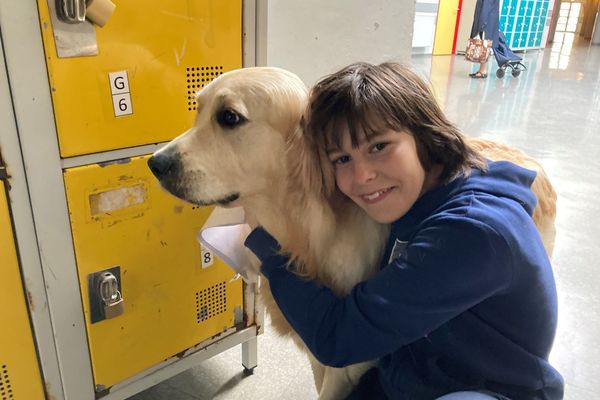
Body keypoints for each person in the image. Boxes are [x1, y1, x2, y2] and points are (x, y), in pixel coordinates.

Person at [244, 62, 564, 399]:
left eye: (378, 146)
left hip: (488, 389)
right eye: (341, 159)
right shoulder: (415, 194)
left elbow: (339, 339)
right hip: (421, 371)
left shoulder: (474, 232)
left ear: (425, 135)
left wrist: (266, 247)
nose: (362, 176)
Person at [469, 0, 500, 78]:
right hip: (488, 20)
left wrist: (482, 24)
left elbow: (485, 9)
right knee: (484, 47)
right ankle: (481, 70)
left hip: (485, 22)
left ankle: (483, 71)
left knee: (484, 47)